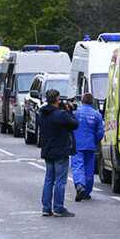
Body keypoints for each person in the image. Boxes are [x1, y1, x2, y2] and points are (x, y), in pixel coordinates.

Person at [38, 89, 79, 217]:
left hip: (48, 150)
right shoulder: (61, 114)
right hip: (61, 151)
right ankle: (58, 207)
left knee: (49, 179)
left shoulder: (42, 114)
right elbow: (75, 124)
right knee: (60, 181)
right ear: (57, 100)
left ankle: (46, 208)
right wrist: (70, 111)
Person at [72, 93, 104, 202]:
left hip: (77, 145)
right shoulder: (97, 115)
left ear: (82, 101)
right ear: (92, 102)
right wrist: (94, 141)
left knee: (77, 166)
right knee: (89, 169)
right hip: (90, 146)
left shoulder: (75, 112)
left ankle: (79, 185)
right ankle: (86, 192)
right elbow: (100, 133)